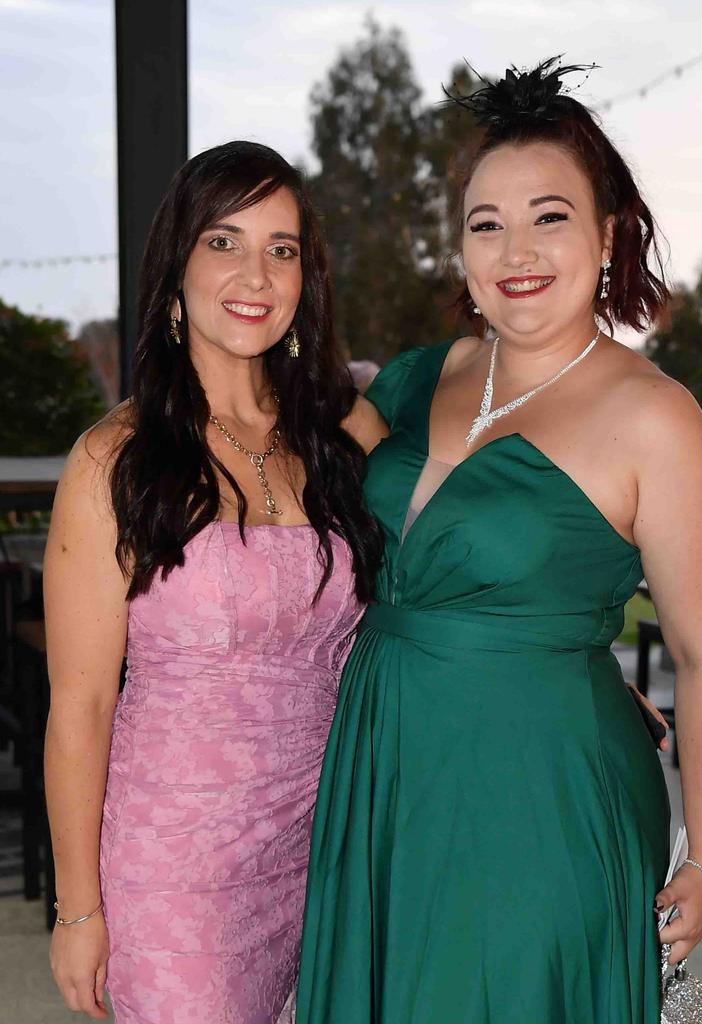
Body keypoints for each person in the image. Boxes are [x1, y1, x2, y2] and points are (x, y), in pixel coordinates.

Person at [296, 59, 702, 1023]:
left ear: (609, 231)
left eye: (549, 215)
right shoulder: (421, 378)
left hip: (539, 795)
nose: (516, 249)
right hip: (383, 771)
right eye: (485, 223)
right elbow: (283, 478)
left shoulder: (656, 420)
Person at [43, 141, 386, 1024]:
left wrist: (567, 663)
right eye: (224, 241)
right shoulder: (112, 459)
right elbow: (79, 705)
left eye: (282, 249)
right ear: (178, 268)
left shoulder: (346, 430)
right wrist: (78, 909)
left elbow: (442, 584)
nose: (257, 273)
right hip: (175, 875)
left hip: (332, 841)